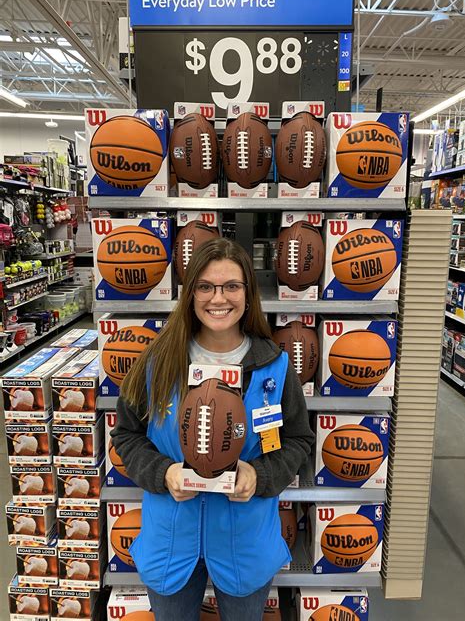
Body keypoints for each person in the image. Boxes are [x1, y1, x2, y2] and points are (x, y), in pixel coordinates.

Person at [112, 238, 314, 621]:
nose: (218, 298)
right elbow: (126, 435)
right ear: (190, 294)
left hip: (246, 542)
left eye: (231, 286)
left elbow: (299, 439)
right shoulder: (157, 361)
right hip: (170, 541)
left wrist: (261, 474)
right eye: (205, 286)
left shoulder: (275, 365)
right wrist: (164, 473)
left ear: (248, 294)